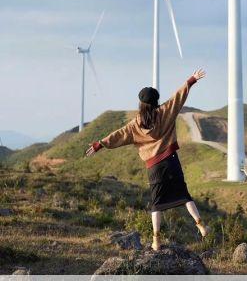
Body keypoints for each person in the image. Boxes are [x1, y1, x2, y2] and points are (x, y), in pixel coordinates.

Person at [85, 68, 209, 251]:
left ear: (141, 103)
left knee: (156, 203)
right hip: (171, 160)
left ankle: (156, 240)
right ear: (156, 101)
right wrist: (191, 80)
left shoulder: (135, 125)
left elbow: (118, 135)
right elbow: (178, 97)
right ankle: (201, 225)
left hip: (154, 167)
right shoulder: (166, 112)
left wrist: (100, 144)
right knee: (184, 194)